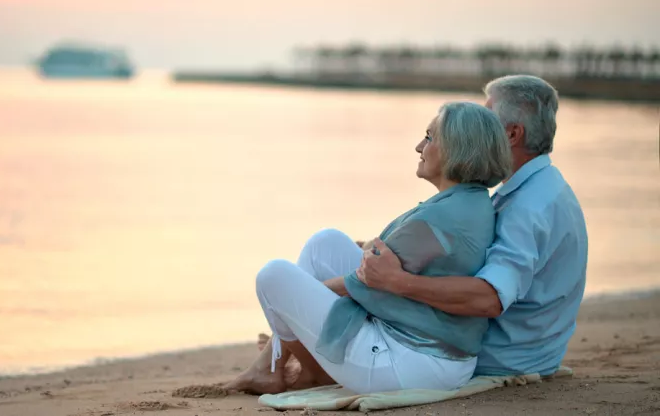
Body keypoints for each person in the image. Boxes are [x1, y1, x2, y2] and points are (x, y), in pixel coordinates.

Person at [224, 101, 513, 395]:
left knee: (274, 277)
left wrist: (296, 299)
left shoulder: (438, 218)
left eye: (429, 138)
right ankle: (288, 368)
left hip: (411, 365)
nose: (418, 147)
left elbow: (365, 282)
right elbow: (383, 266)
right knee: (325, 244)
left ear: (455, 148)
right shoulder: (470, 202)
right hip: (442, 358)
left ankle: (296, 369)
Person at [358, 75, 589, 377]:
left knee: (355, 292)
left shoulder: (527, 208)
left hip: (502, 357)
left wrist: (396, 281)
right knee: (349, 261)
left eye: (486, 116)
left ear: (511, 134)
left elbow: (490, 298)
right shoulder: (546, 186)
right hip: (532, 351)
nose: (474, 123)